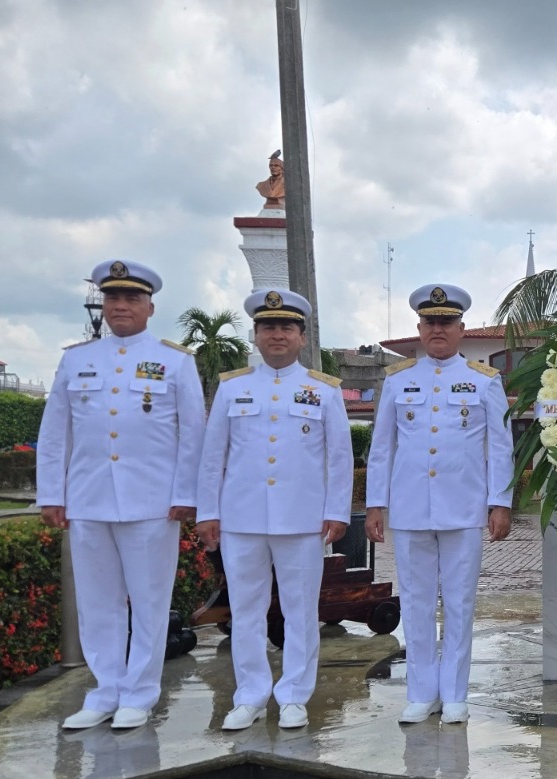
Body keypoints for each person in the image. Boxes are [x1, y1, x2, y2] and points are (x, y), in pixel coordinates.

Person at [36, 260, 206, 730]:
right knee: (96, 602)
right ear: (103, 305)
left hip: (152, 501)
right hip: (88, 498)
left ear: (150, 307)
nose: (121, 306)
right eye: (113, 298)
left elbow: (193, 435)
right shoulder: (76, 359)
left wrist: (187, 494)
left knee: (149, 601)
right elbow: (55, 433)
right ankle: (104, 689)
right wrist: (52, 492)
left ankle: (140, 692)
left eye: (132, 298)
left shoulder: (176, 361)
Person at [195, 288, 352, 731]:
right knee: (245, 610)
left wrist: (337, 510)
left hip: (301, 519)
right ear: (256, 335)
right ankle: (249, 695)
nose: (277, 335)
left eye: (286, 327)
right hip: (242, 518)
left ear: (302, 336)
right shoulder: (233, 388)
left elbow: (339, 457)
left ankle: (295, 695)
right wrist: (208, 511)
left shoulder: (323, 391)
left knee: (301, 611)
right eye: (268, 327)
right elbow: (213, 456)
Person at [365, 283, 513, 725]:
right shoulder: (398, 380)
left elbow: (501, 446)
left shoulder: (484, 380)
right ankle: (421, 691)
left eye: (446, 322)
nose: (438, 329)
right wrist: (376, 505)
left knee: (461, 602)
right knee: (415, 600)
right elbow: (381, 448)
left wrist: (499, 502)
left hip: (463, 507)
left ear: (460, 328)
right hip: (410, 508)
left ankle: (455, 694)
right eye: (430, 322)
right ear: (419, 327)